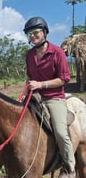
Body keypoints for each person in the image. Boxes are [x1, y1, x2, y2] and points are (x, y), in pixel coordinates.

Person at [23, 16, 76, 177]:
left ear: (45, 32)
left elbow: (64, 78)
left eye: (36, 32)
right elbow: (29, 77)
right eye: (29, 34)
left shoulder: (57, 52)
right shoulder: (29, 54)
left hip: (54, 97)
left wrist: (41, 85)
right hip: (35, 97)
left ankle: (69, 168)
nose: (32, 36)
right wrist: (24, 94)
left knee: (60, 131)